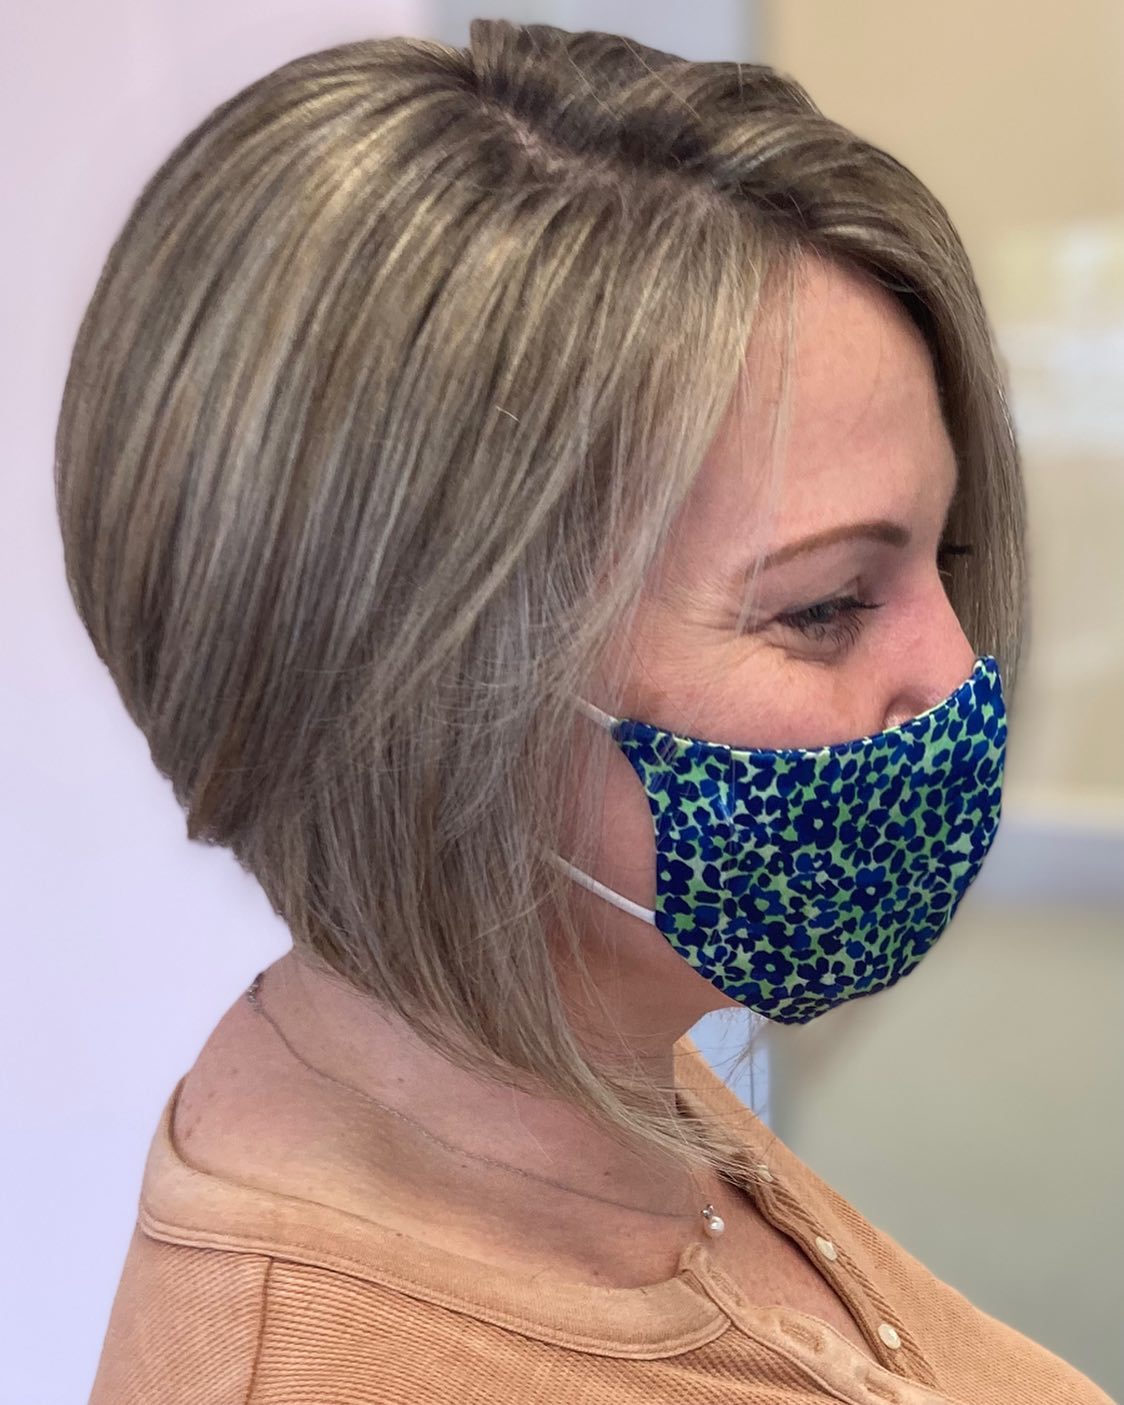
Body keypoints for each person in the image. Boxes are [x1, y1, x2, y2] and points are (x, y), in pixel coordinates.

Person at [58, 18, 1114, 1405]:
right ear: (424, 694)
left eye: (944, 556)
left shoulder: (549, 1064)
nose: (956, 668)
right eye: (824, 606)